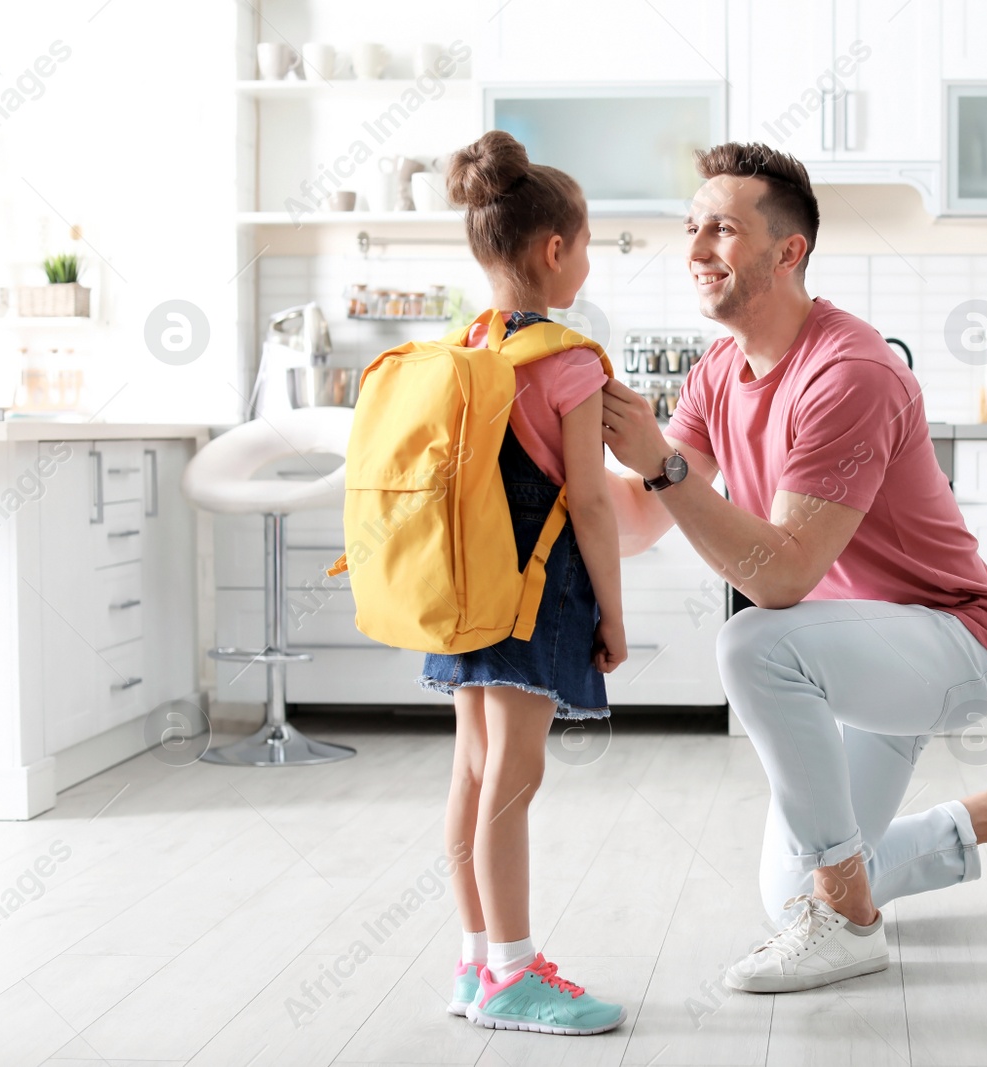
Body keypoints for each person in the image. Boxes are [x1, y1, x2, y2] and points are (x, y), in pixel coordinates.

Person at [600, 142, 987, 994]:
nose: (694, 250)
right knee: (780, 891)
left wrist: (665, 464)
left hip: (953, 642)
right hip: (851, 654)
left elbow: (781, 578)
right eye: (690, 229)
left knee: (753, 642)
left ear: (788, 250)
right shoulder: (720, 370)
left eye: (720, 229)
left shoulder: (850, 372)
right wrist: (544, 490)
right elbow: (641, 517)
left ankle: (848, 921)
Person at [417, 130, 626, 1034]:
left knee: (471, 771)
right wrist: (614, 615)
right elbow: (591, 503)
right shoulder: (569, 361)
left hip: (464, 586)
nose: (587, 260)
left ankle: (475, 960)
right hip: (538, 598)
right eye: (586, 244)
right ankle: (512, 977)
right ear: (554, 249)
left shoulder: (468, 344)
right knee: (514, 777)